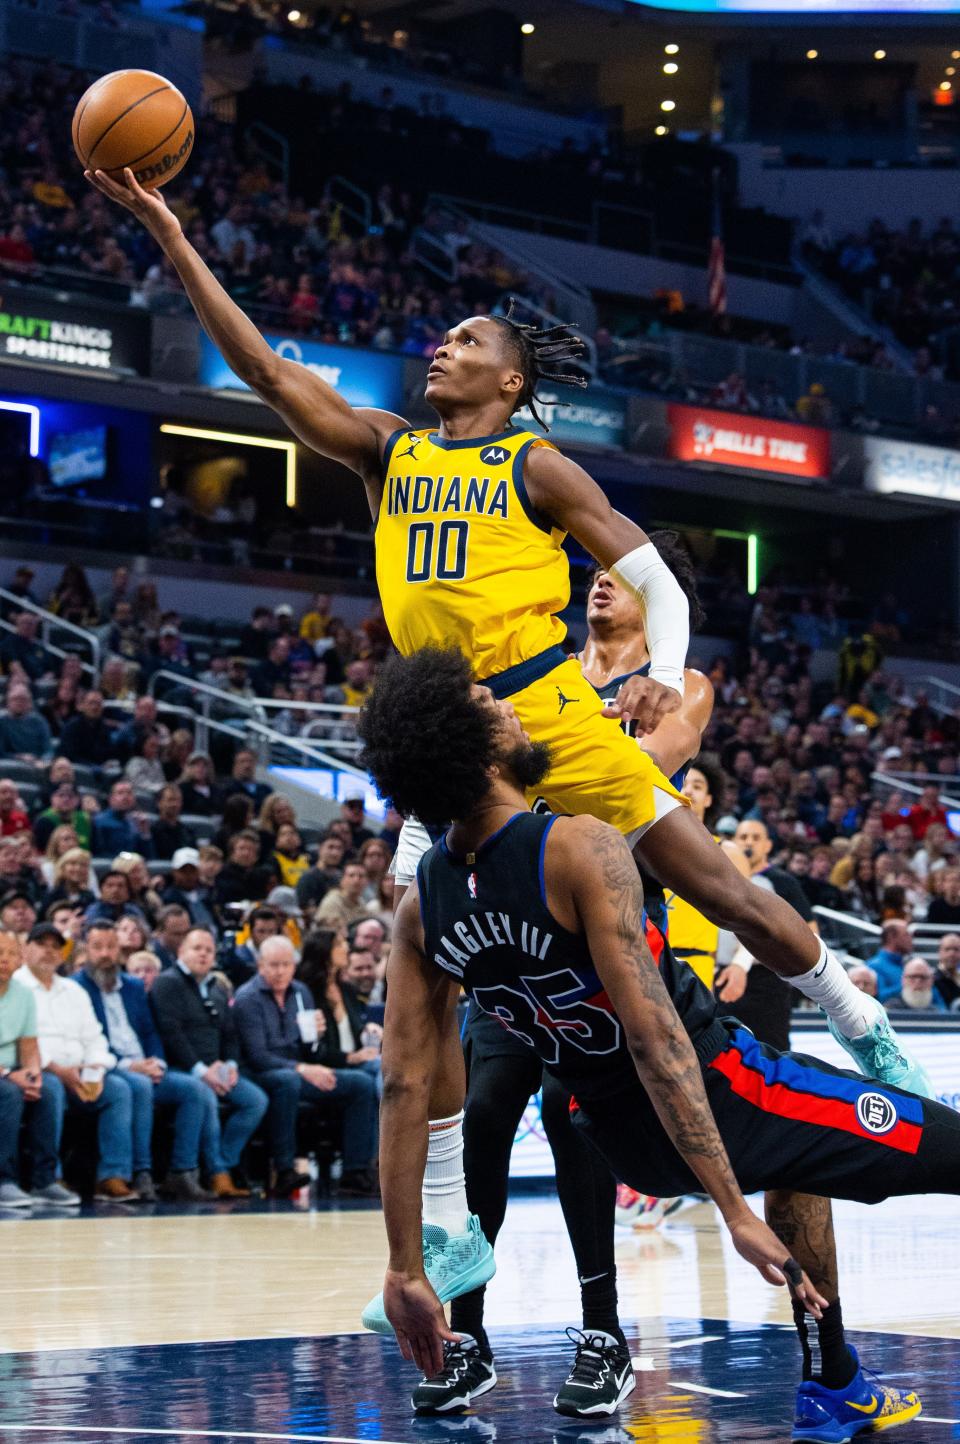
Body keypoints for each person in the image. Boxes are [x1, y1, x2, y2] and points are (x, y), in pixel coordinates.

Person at [94, 165, 923, 1279]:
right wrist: (168, 230)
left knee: (714, 883)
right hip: (451, 744)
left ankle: (846, 1006)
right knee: (416, 979)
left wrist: (662, 677)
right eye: (443, 338)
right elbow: (261, 366)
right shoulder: (389, 448)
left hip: (553, 709)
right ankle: (450, 1223)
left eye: (467, 338)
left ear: (512, 374)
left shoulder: (532, 463)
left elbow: (657, 578)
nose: (443, 347)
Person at [360, 647, 947, 1436]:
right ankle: (829, 1370)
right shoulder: (574, 846)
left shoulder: (420, 905)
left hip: (624, 1140)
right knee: (944, 1145)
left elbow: (402, 1088)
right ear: (472, 746)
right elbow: (658, 1040)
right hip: (729, 1092)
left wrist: (403, 1266)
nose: (512, 708)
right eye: (490, 704)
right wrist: (732, 1210)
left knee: (811, 1169)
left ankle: (835, 1378)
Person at [74, 921, 213, 1202]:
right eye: (98, 947)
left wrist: (157, 1062)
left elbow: (150, 1031)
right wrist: (130, 1066)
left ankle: (182, 1172)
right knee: (137, 1086)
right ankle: (138, 1172)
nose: (105, 954)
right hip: (109, 1067)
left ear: (119, 950)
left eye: (111, 947)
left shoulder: (134, 986)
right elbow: (89, 1039)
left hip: (146, 1066)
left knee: (194, 1089)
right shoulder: (77, 987)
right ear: (86, 950)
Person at [234, 935, 379, 1198]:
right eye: (273, 965)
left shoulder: (300, 992)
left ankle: (355, 1172)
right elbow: (258, 1057)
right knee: (286, 1082)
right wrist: (303, 1068)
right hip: (261, 1074)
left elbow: (310, 1049)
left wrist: (316, 1039)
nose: (280, 972)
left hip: (301, 1069)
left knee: (362, 1084)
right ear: (260, 965)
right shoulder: (247, 998)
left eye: (286, 965)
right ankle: (285, 1169)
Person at [16, 922, 139, 1202]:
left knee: (118, 1089)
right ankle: (48, 1177)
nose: (48, 952)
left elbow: (95, 1038)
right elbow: (22, 1041)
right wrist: (59, 1071)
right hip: (40, 1070)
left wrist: (95, 1072)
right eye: (41, 945)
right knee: (51, 1089)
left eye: (55, 947)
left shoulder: (74, 991)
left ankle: (112, 1177)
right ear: (25, 949)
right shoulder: (16, 988)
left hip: (82, 1074)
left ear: (64, 954)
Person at [150, 928, 267, 1199]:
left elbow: (229, 1033)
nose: (203, 954)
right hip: (182, 1068)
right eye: (197, 948)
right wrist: (201, 1071)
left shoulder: (216, 986)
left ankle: (222, 1163)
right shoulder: (167, 983)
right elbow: (171, 1034)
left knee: (256, 1100)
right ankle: (213, 1173)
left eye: (209, 950)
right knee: (204, 1096)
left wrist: (231, 1065)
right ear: (181, 952)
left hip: (217, 1068)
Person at [722, 819, 817, 1052]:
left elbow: (811, 931)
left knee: (773, 1050)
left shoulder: (782, 882)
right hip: (721, 976)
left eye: (755, 838)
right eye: (743, 837)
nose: (748, 843)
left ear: (767, 845)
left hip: (768, 980)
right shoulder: (720, 880)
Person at [0, 930, 78, 1209]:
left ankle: (43, 1179)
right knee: (8, 1092)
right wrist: (9, 1075)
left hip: (14, 1068)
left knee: (50, 1086)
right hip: (4, 1075)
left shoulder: (22, 994)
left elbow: (29, 1044)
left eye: (10, 954)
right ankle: (4, 1181)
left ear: (19, 960)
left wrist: (32, 1075)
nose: (4, 960)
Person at [161, 848, 218, 934]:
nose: (188, 875)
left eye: (192, 870)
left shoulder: (208, 893)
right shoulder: (169, 899)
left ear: (198, 871)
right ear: (174, 872)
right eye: (183, 871)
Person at [92, 781, 152, 859]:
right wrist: (130, 858)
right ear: (111, 799)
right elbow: (100, 854)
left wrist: (145, 833)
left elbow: (149, 857)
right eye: (120, 793)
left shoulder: (136, 822)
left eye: (129, 793)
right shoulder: (99, 822)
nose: (125, 797)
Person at [59, 691, 119, 767]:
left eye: (98, 704)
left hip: (100, 769)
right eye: (91, 703)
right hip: (78, 769)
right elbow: (70, 756)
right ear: (83, 705)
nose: (94, 707)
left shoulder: (104, 728)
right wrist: (94, 767)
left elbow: (109, 753)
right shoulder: (71, 727)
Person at [295, 833, 345, 920]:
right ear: (320, 849)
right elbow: (302, 909)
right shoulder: (308, 878)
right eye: (330, 847)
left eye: (339, 848)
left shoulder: (343, 878)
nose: (335, 853)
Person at [315, 861, 373, 933]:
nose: (356, 880)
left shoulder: (362, 904)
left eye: (361, 876)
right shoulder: (332, 902)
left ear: (367, 881)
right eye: (351, 875)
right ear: (342, 880)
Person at [33, 784, 92, 854]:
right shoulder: (43, 821)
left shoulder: (86, 819)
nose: (66, 799)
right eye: (61, 795)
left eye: (70, 796)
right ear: (52, 798)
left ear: (78, 800)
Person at [865, 920, 914, 1004]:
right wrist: (907, 985)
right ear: (891, 937)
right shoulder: (873, 966)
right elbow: (877, 997)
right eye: (906, 935)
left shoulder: (909, 965)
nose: (911, 939)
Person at [0, 682, 52, 760]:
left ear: (30, 703)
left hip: (36, 765)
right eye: (15, 698)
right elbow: (1, 753)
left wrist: (43, 760)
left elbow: (48, 750)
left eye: (23, 699)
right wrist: (20, 757)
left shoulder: (39, 722)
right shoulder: (2, 722)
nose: (19, 702)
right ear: (8, 702)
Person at [150, 785, 194, 862]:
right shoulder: (151, 831)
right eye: (170, 800)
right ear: (159, 803)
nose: (175, 804)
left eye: (178, 800)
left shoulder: (188, 832)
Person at [220, 748, 271, 812]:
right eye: (242, 761)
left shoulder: (266, 789)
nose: (247, 765)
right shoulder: (227, 789)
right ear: (235, 766)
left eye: (250, 761)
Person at [150, 905, 192, 972]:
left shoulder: (193, 949)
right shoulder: (151, 958)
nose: (183, 938)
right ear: (160, 932)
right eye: (177, 934)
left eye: (186, 932)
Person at [934, 932, 960, 1010]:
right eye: (947, 949)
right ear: (939, 952)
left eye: (956, 949)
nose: (952, 954)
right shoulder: (933, 980)